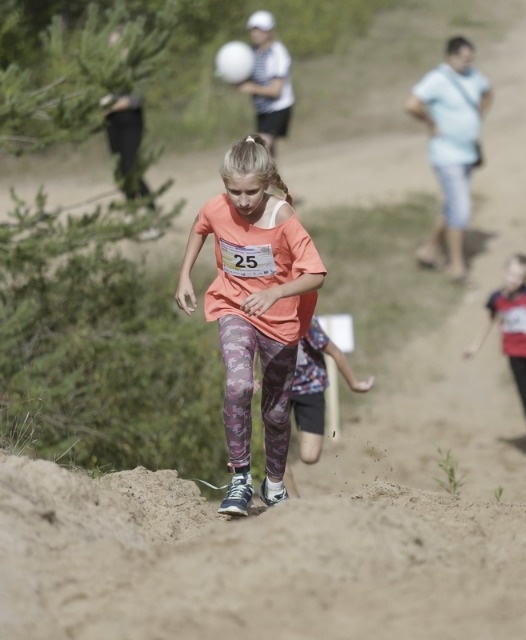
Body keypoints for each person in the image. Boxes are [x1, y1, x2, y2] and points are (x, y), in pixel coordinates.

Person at [175, 135, 326, 516]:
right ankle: (240, 479)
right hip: (233, 307)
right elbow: (200, 226)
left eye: (251, 192)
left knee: (276, 411)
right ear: (224, 184)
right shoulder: (217, 207)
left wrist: (276, 293)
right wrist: (184, 275)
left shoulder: (283, 218)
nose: (242, 201)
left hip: (280, 320)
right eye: (234, 191)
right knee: (239, 384)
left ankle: (273, 484)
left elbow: (316, 274)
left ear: (267, 182)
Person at [406, 36, 493, 284]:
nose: (468, 63)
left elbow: (488, 92)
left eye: (470, 59)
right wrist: (430, 122)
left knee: (453, 206)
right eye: (463, 59)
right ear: (450, 56)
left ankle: (429, 249)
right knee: (461, 210)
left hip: (467, 152)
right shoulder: (437, 79)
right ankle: (457, 266)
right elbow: (411, 104)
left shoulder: (474, 76)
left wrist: (476, 118)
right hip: (446, 154)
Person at [464, 254, 526, 460]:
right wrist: (474, 347)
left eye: (518, 277)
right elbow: (489, 321)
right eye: (510, 274)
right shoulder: (495, 299)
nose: (512, 280)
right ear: (504, 272)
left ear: (525, 279)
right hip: (515, 355)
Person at [281, 317, 375, 498]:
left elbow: (335, 352)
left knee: (309, 456)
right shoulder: (262, 318)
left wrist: (354, 384)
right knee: (273, 452)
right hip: (278, 390)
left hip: (310, 388)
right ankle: (291, 501)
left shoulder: (304, 320)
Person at [100, 29, 154, 211]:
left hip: (131, 122)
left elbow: (135, 99)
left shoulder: (135, 67)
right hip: (112, 123)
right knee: (120, 170)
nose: (114, 48)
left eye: (118, 43)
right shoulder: (106, 69)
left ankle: (151, 210)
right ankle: (132, 210)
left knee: (131, 167)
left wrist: (110, 105)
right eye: (111, 44)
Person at [238, 11, 295, 157]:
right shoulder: (251, 53)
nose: (256, 33)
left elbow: (276, 91)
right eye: (253, 29)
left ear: (270, 31)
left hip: (279, 108)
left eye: (261, 29)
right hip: (262, 109)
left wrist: (252, 88)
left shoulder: (277, 52)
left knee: (257, 147)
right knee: (269, 154)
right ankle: (272, 173)